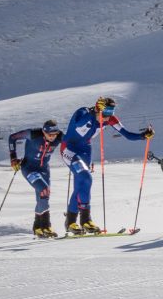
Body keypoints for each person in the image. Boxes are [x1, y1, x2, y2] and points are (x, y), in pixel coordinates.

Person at [61, 97, 154, 234]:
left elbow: (127, 135)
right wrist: (93, 114)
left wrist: (143, 136)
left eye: (109, 115)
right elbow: (78, 125)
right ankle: (77, 220)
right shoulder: (83, 112)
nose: (106, 119)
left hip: (85, 150)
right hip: (69, 149)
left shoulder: (110, 119)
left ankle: (80, 222)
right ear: (98, 109)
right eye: (104, 115)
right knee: (86, 178)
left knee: (82, 185)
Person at [8, 119, 64, 238]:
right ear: (44, 132)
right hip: (29, 168)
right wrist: (13, 157)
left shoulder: (59, 137)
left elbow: (72, 143)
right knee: (44, 190)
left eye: (55, 134)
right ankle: (46, 225)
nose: (53, 137)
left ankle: (39, 227)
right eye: (50, 134)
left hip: (44, 170)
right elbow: (12, 137)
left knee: (43, 196)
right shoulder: (33, 134)